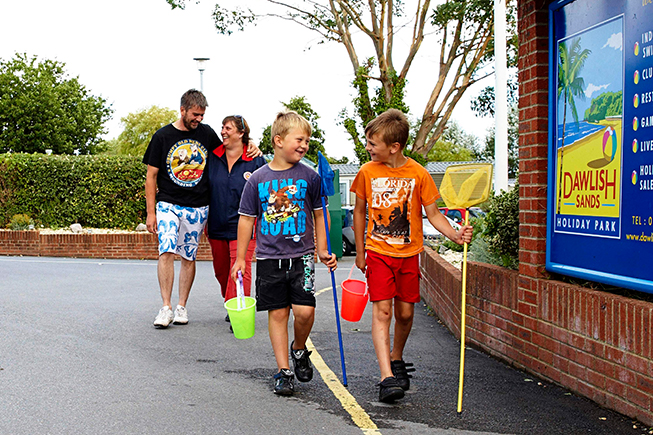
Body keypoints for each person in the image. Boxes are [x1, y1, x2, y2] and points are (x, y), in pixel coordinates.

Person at [350, 108, 472, 403]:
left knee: (404, 313)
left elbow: (433, 214)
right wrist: (361, 251)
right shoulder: (367, 172)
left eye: (372, 143)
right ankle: (386, 378)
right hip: (378, 252)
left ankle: (396, 357)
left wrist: (455, 234)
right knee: (383, 312)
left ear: (394, 147)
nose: (367, 147)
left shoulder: (418, 174)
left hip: (408, 255)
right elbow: (359, 211)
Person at [231, 111, 337, 396]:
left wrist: (323, 249)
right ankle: (283, 370)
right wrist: (241, 258)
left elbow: (318, 214)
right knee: (278, 314)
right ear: (278, 140)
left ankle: (299, 348)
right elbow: (246, 219)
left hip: (302, 256)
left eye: (307, 140)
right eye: (299, 139)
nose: (304, 145)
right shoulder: (257, 180)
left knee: (304, 311)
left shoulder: (310, 177)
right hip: (268, 258)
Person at [143, 89, 258, 328]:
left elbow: (231, 146)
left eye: (202, 115)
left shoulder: (206, 134)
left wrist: (252, 144)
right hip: (168, 203)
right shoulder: (162, 136)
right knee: (166, 249)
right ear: (183, 110)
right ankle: (165, 307)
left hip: (197, 207)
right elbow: (151, 176)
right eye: (195, 114)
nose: (199, 119)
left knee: (188, 255)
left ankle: (181, 306)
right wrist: (151, 212)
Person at [206, 115, 266, 331]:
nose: (223, 131)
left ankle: (239, 311)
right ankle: (231, 300)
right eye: (222, 127)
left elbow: (266, 191)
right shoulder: (213, 157)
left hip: (245, 226)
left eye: (228, 128)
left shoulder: (256, 160)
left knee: (241, 269)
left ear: (241, 133)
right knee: (222, 271)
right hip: (216, 224)